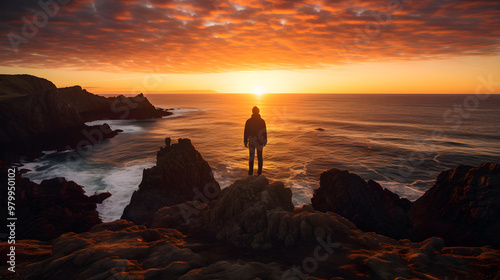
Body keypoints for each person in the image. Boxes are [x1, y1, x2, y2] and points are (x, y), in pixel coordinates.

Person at [244, 106, 267, 175]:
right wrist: (265, 140)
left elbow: (246, 132)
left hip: (252, 141)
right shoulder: (262, 121)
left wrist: (245, 141)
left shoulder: (248, 121)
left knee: (251, 157)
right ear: (258, 111)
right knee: (260, 157)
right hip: (259, 142)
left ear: (252, 112)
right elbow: (264, 132)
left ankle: (250, 173)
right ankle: (259, 173)